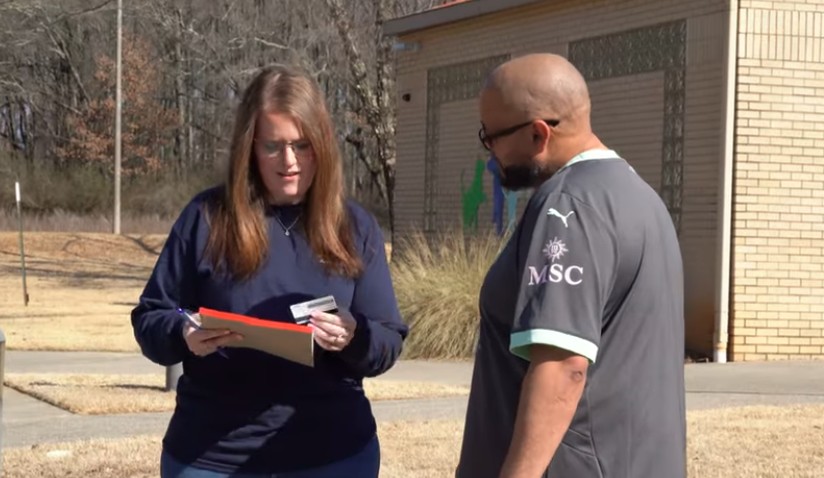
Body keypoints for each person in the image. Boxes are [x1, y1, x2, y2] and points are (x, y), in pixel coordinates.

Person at [131, 64, 408, 477]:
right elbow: (151, 318)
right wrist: (184, 333)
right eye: (272, 147)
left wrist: (354, 336)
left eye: (302, 145)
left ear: (324, 146)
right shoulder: (206, 217)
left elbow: (386, 341)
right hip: (212, 456)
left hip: (333, 455)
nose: (289, 162)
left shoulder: (355, 226)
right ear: (249, 149)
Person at [456, 53, 686, 478]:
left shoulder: (569, 206)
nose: (489, 152)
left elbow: (563, 365)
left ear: (538, 134)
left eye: (490, 137)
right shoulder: (639, 198)